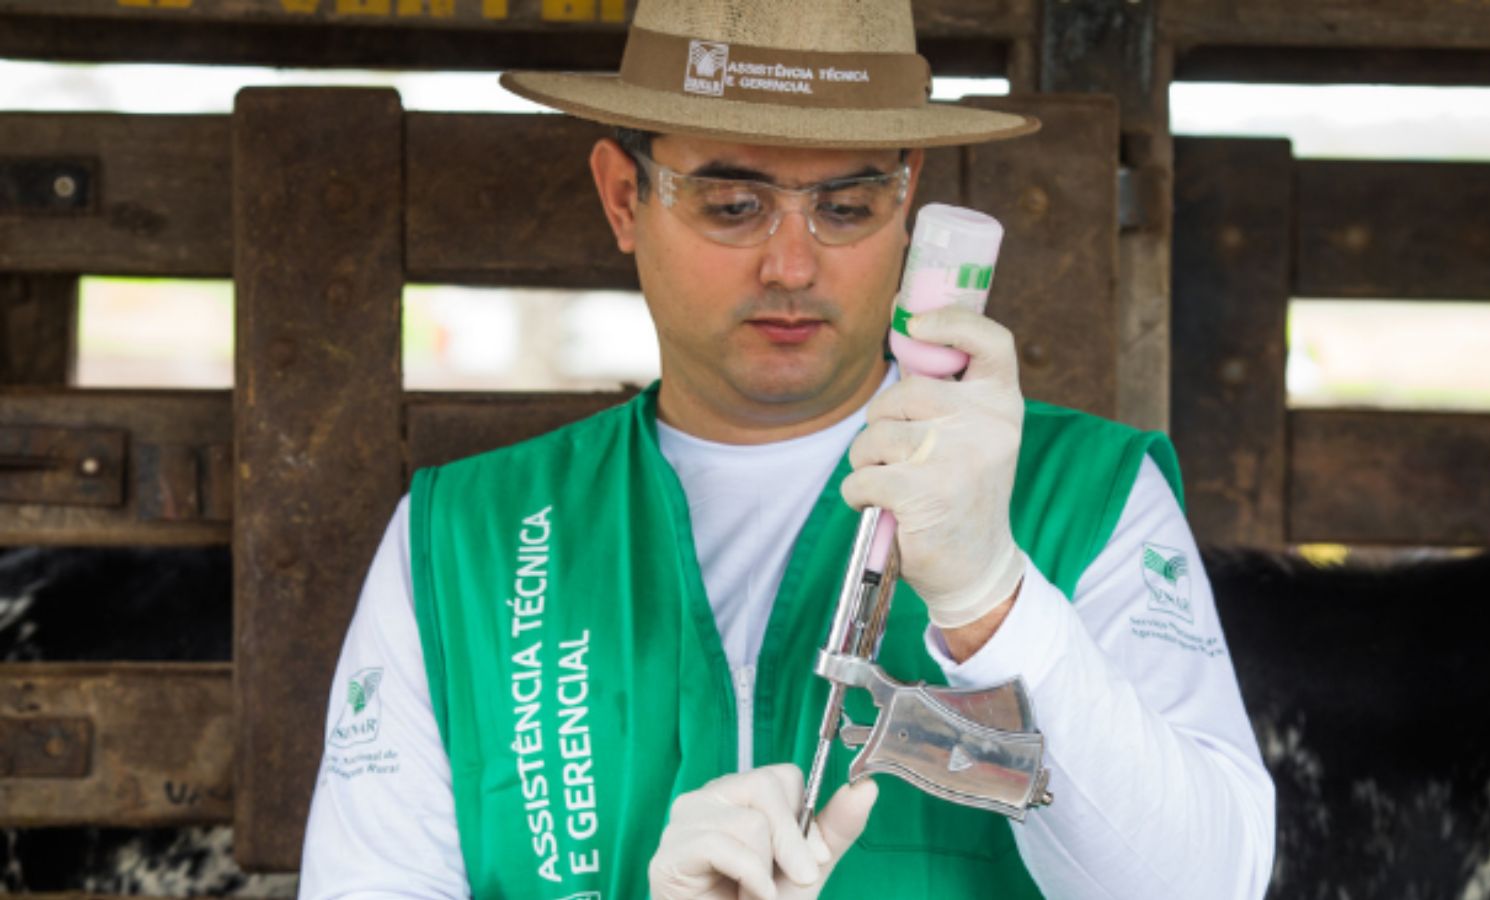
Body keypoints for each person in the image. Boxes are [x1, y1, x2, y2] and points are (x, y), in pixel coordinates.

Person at [298, 0, 1275, 897]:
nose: (793, 264)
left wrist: (993, 603)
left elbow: (1204, 884)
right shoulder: (463, 541)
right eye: (732, 204)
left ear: (910, 199)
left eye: (847, 206)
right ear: (622, 198)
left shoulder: (1089, 495)